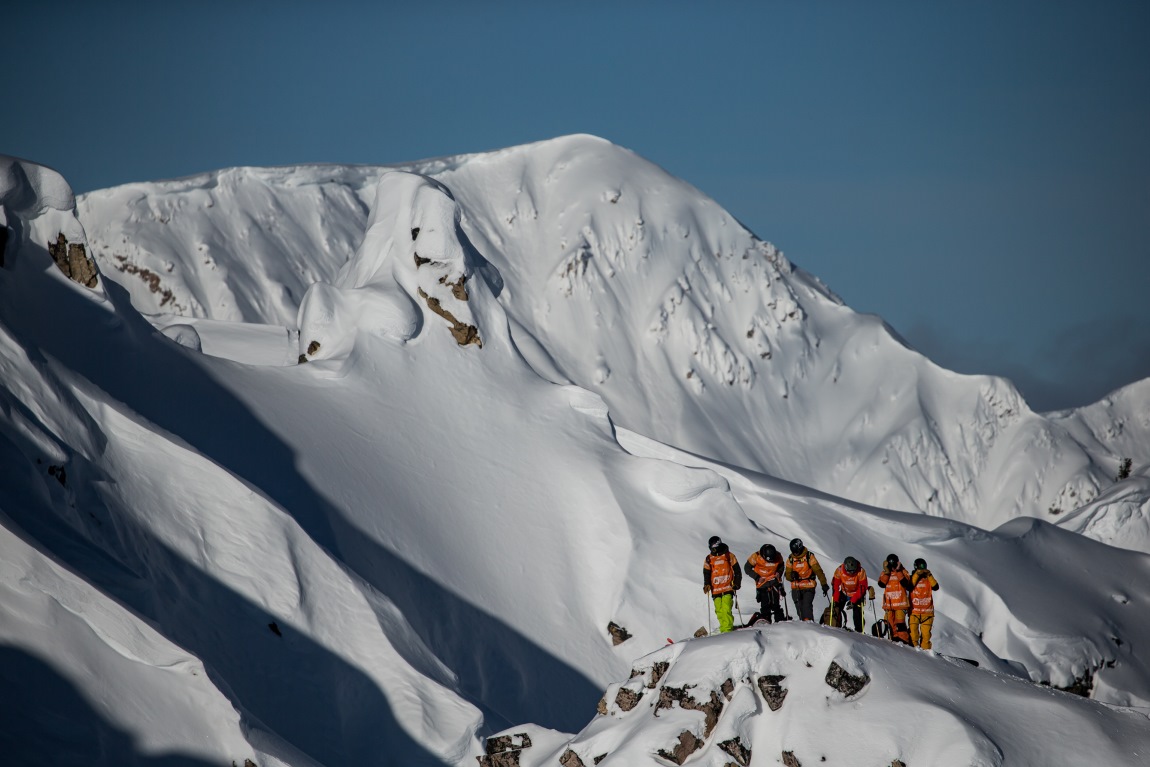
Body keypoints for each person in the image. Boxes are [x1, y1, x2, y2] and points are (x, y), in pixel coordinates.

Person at [703, 535, 742, 633]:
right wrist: (706, 584)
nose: (713, 550)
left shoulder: (729, 555)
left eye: (714, 548)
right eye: (711, 548)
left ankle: (727, 630)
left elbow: (737, 570)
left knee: (726, 609)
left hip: (728, 587)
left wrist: (737, 583)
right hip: (715, 589)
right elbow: (706, 573)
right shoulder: (709, 558)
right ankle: (723, 627)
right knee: (719, 611)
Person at [784, 538, 828, 622]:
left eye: (796, 551)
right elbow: (787, 575)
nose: (795, 553)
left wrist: (824, 584)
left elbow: (818, 570)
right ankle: (803, 625)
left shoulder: (809, 556)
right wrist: (792, 575)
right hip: (796, 587)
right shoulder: (790, 559)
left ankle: (809, 625)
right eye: (793, 551)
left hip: (809, 586)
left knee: (806, 606)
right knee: (799, 608)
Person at [744, 543, 787, 624]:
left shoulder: (778, 556)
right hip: (762, 583)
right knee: (765, 604)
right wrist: (757, 577)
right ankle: (766, 621)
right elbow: (747, 568)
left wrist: (779, 572)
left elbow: (781, 565)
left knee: (776, 604)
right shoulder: (756, 556)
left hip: (774, 582)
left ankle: (780, 622)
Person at [878, 553, 913, 644]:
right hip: (889, 604)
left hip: (900, 604)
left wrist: (898, 571)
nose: (892, 566)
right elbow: (881, 584)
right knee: (890, 624)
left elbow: (906, 583)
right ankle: (893, 641)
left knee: (900, 625)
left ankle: (904, 641)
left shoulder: (903, 571)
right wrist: (886, 572)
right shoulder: (885, 572)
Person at [831, 556, 868, 632]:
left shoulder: (861, 571)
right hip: (844, 592)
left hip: (857, 594)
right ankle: (834, 626)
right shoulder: (839, 570)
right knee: (835, 608)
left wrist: (853, 600)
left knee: (858, 613)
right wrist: (836, 599)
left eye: (853, 571)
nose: (852, 573)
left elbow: (862, 588)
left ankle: (859, 631)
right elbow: (835, 585)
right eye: (850, 571)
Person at [909, 558, 940, 650]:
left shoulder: (928, 579)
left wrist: (929, 575)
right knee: (913, 636)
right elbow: (910, 586)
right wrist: (917, 574)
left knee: (926, 637)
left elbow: (935, 587)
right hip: (914, 612)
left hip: (927, 612)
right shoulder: (911, 577)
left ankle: (926, 655)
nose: (922, 570)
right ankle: (912, 652)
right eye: (920, 568)